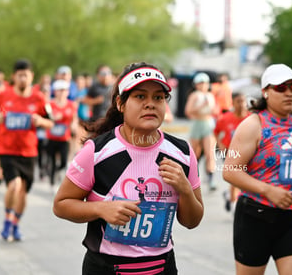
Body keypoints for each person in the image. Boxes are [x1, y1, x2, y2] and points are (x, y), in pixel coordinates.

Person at [53, 62, 203, 274]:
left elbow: (192, 221)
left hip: (162, 267)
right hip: (106, 267)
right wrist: (101, 209)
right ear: (121, 104)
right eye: (140, 96)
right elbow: (61, 205)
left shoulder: (182, 152)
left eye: (158, 97)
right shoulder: (97, 151)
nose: (150, 104)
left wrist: (185, 190)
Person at [222, 63, 292, 275]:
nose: (289, 93)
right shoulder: (252, 125)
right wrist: (268, 190)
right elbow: (230, 170)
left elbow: (291, 163)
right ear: (266, 92)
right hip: (255, 217)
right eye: (281, 88)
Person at [0, 59, 54, 241]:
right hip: (7, 149)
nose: (23, 78)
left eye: (26, 75)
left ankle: (16, 223)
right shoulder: (4, 96)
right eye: (20, 75)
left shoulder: (39, 98)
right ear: (14, 77)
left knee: (23, 191)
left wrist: (39, 121)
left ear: (32, 76)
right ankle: (7, 220)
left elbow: (50, 122)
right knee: (14, 184)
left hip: (29, 151)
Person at [214, 92, 250, 212]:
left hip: (247, 153)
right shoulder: (225, 118)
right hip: (230, 153)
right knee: (235, 180)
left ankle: (229, 195)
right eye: (238, 101)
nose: (241, 104)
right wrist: (220, 145)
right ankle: (235, 207)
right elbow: (216, 132)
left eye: (243, 101)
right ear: (233, 103)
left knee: (243, 180)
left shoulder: (251, 118)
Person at [184, 72, 217, 190]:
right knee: (195, 153)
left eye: (205, 83)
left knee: (210, 152)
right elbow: (188, 111)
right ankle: (193, 178)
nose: (203, 85)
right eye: (200, 83)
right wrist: (201, 106)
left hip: (208, 124)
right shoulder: (195, 95)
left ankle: (211, 178)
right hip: (197, 124)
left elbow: (214, 110)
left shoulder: (210, 95)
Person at [46, 79, 77, 189]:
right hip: (51, 137)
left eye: (64, 90)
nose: (62, 92)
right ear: (55, 91)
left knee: (64, 162)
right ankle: (52, 182)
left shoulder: (71, 105)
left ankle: (58, 173)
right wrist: (53, 118)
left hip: (64, 137)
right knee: (52, 161)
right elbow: (47, 117)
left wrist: (74, 125)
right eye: (60, 90)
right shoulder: (50, 104)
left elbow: (74, 118)